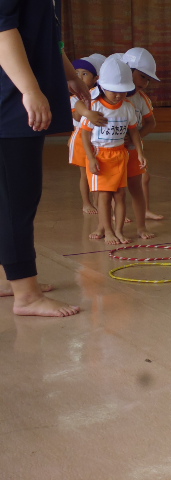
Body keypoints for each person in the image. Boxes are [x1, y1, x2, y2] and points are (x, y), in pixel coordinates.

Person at [0, 0, 89, 317]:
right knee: (16, 202)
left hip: (15, 102)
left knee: (10, 199)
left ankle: (8, 277)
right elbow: (2, 31)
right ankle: (27, 295)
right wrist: (29, 90)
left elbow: (45, 31)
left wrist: (68, 74)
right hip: (10, 105)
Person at [81, 57, 147, 245]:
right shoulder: (95, 107)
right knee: (104, 196)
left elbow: (134, 132)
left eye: (122, 91)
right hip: (101, 156)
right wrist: (91, 157)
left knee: (120, 195)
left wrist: (140, 152)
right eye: (113, 90)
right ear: (102, 87)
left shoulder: (128, 107)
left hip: (120, 155)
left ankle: (118, 230)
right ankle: (107, 230)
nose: (118, 95)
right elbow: (85, 135)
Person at [121, 47, 164, 225]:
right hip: (113, 151)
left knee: (142, 179)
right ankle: (116, 213)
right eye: (142, 77)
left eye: (148, 79)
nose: (145, 83)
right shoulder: (112, 96)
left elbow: (151, 123)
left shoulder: (142, 98)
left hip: (134, 150)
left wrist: (135, 138)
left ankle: (144, 211)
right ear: (128, 71)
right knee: (116, 185)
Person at [68, 54, 105, 215]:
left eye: (84, 74)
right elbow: (77, 116)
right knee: (84, 174)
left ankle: (100, 202)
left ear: (96, 78)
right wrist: (88, 111)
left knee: (98, 171)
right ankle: (86, 203)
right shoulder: (75, 97)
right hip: (80, 139)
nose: (79, 77)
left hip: (95, 139)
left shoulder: (98, 95)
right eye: (76, 73)